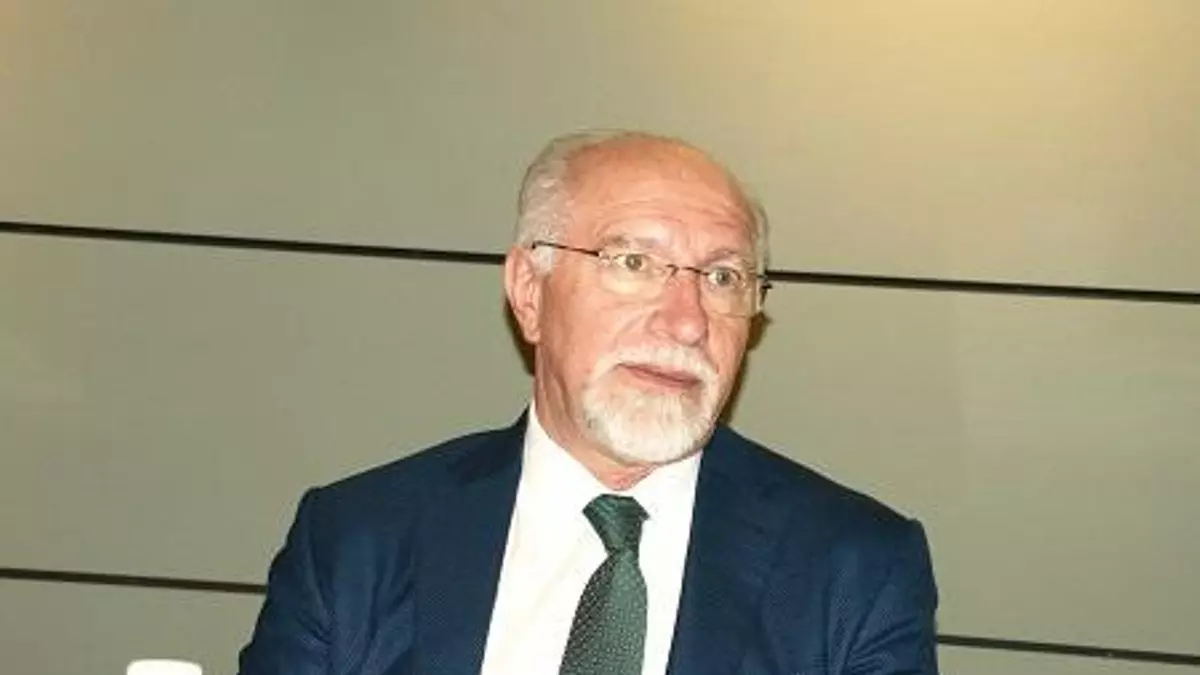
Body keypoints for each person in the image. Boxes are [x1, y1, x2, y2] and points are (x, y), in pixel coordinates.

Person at [238, 130, 939, 675]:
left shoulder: (853, 567)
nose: (687, 321)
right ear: (530, 291)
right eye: (633, 263)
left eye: (722, 277)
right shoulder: (357, 541)